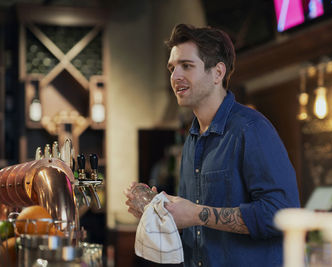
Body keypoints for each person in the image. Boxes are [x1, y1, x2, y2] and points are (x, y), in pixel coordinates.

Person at [126, 23, 300, 267]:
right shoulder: (192, 140)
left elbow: (282, 214)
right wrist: (159, 212)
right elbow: (192, 226)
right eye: (172, 68)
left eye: (187, 66)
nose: (175, 76)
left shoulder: (251, 129)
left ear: (218, 73)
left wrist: (197, 214)